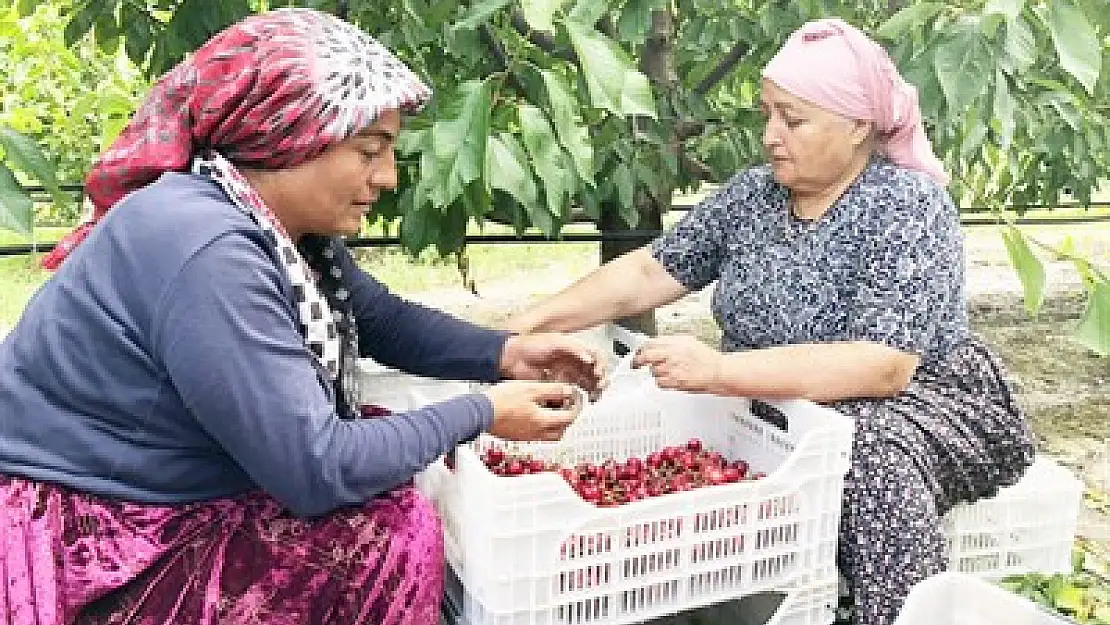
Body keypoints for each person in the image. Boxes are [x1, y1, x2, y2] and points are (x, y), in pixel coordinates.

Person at [0, 9, 604, 625]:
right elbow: (315, 468)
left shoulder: (270, 223)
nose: (387, 178)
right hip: (102, 526)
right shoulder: (209, 249)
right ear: (288, 139)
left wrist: (504, 354)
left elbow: (378, 319)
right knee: (381, 532)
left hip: (166, 478)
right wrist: (481, 412)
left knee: (387, 460)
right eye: (370, 151)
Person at [505, 17, 1034, 625]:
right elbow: (652, 272)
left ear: (859, 125)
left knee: (864, 456)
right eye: (768, 115)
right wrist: (530, 322)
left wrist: (720, 371)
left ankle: (899, 612)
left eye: (793, 119)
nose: (771, 135)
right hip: (775, 400)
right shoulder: (755, 195)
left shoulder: (907, 206)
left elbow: (882, 364)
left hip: (922, 402)